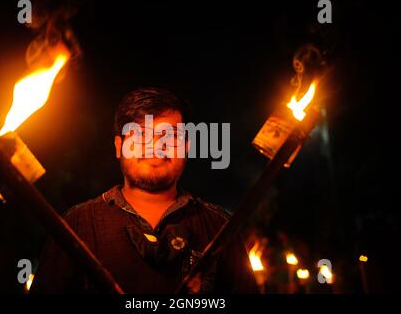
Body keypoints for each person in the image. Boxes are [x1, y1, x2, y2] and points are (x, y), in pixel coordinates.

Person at [31, 87, 257, 293]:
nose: (157, 146)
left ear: (186, 147)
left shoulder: (219, 229)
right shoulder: (77, 226)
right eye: (140, 135)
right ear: (119, 147)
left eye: (171, 136)